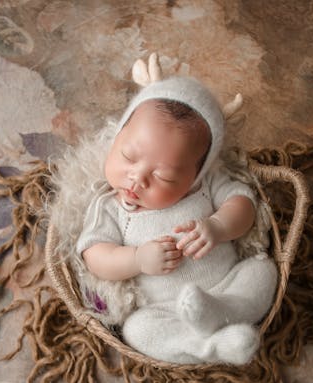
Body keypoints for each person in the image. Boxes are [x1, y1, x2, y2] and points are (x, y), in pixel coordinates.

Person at [76, 70, 277, 365]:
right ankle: (210, 346)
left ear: (196, 173)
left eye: (164, 177)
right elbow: (94, 255)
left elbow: (244, 205)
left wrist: (218, 226)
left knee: (262, 271)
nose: (137, 179)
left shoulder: (206, 186)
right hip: (166, 310)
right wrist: (137, 259)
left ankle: (222, 313)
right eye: (129, 157)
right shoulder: (111, 206)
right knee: (137, 329)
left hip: (228, 287)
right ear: (116, 137)